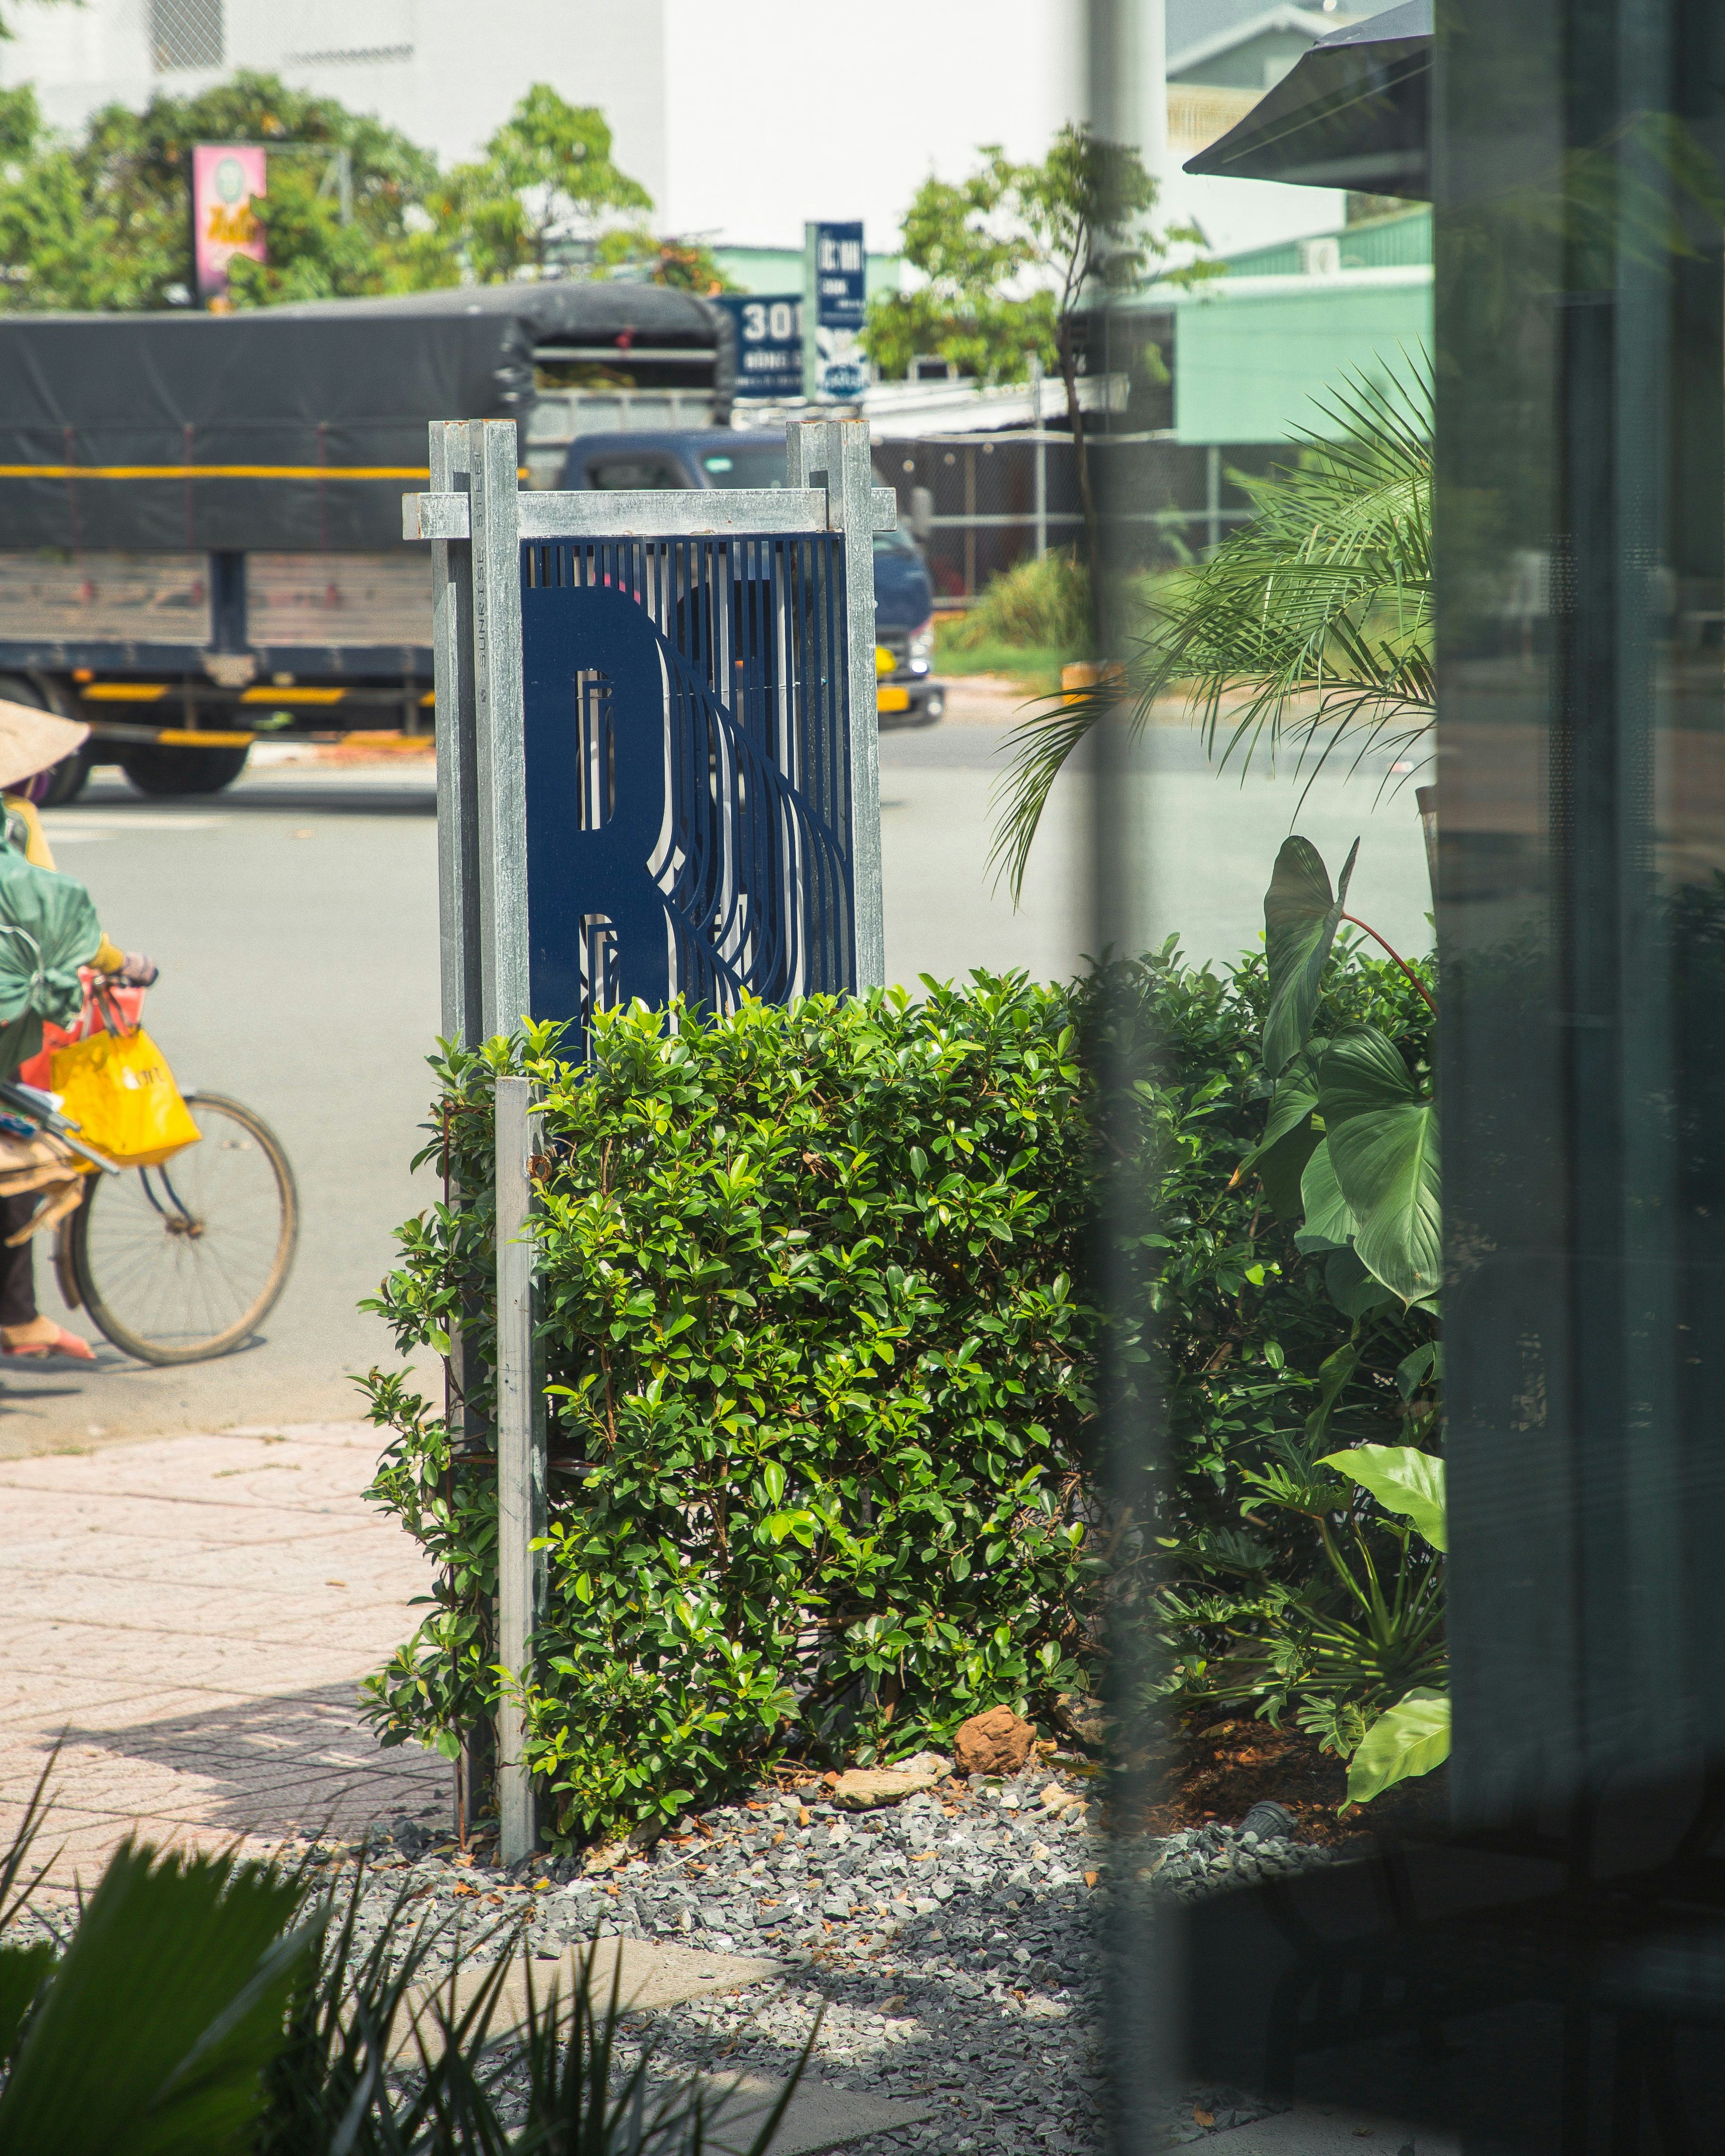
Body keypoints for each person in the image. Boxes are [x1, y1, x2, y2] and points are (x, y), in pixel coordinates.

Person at [0, 703, 155, 1361]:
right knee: (25, 1156)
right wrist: (125, 966)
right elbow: (64, 919)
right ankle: (19, 1319)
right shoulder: (14, 824)